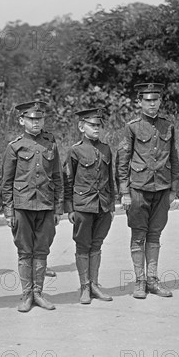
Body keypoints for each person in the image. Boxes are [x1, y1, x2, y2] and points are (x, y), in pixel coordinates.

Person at [117, 83, 179, 299]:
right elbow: (123, 161)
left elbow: (173, 157)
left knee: (155, 234)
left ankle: (153, 279)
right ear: (140, 102)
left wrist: (173, 188)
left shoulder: (168, 126)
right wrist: (124, 192)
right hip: (138, 189)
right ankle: (140, 281)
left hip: (162, 187)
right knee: (138, 235)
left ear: (160, 101)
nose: (152, 104)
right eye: (148, 101)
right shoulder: (132, 127)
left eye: (156, 100)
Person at [0, 101, 63, 312]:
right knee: (25, 251)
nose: (36, 123)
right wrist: (9, 211)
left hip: (45, 205)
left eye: (40, 119)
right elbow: (6, 182)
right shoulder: (14, 146)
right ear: (22, 121)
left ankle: (38, 293)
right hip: (22, 206)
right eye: (31, 119)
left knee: (42, 251)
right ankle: (27, 295)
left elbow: (57, 176)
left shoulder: (50, 144)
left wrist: (58, 208)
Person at [63, 108, 115, 304]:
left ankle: (94, 284)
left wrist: (111, 205)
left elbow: (110, 179)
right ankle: (84, 286)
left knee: (97, 244)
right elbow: (68, 180)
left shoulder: (106, 149)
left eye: (99, 125)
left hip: (103, 205)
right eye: (92, 125)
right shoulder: (75, 151)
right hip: (83, 206)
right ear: (81, 126)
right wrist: (70, 208)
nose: (96, 129)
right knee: (83, 245)